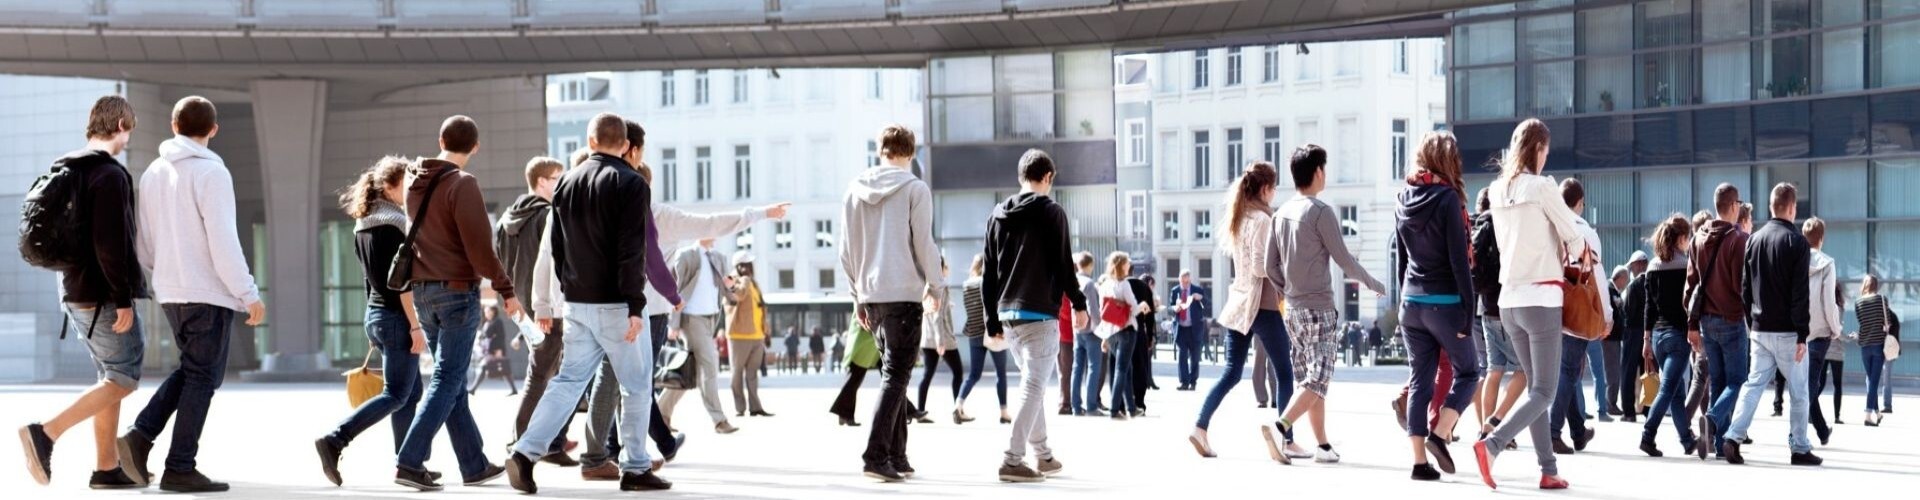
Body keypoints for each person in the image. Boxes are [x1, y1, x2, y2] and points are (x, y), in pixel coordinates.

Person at [505, 112, 667, 493]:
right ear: (626, 146)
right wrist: (634, 303)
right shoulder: (631, 183)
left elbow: (558, 247)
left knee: (567, 381)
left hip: (577, 303)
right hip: (616, 304)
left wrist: (568, 291)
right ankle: (636, 468)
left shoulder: (566, 183)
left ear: (591, 142)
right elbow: (632, 248)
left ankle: (525, 452)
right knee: (637, 385)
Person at [122, 96, 269, 493]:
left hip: (172, 291)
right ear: (213, 129)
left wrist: (170, 272)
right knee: (203, 377)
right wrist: (248, 293)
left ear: (173, 125)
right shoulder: (212, 172)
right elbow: (223, 240)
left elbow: (144, 244)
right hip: (207, 292)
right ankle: (179, 467)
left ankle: (140, 436)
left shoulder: (153, 172)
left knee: (193, 370)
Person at [18, 95, 149, 490]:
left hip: (73, 290)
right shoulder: (108, 174)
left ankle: (106, 469)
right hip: (101, 295)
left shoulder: (67, 167)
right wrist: (123, 296)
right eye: (129, 131)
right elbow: (112, 242)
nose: (127, 139)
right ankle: (45, 433)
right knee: (124, 378)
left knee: (110, 377)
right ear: (122, 126)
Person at [381, 115, 516, 491]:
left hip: (423, 290)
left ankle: (473, 464)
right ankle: (409, 461)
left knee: (451, 380)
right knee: (447, 377)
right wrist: (505, 288)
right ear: (475, 147)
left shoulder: (413, 181)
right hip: (456, 291)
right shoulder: (463, 183)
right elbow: (479, 248)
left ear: (440, 138)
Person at [1470, 119, 1585, 491]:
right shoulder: (1543, 187)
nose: (1546, 158)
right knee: (1544, 391)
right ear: (1538, 149)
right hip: (1541, 298)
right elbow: (1573, 232)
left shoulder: (1497, 189)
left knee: (1536, 387)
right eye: (1546, 152)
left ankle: (1548, 469)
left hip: (1508, 302)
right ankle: (1493, 445)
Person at [312, 156, 432, 485]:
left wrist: (372, 322)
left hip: (377, 314)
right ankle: (335, 440)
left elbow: (370, 280)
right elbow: (400, 284)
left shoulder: (363, 223)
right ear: (391, 186)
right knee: (396, 393)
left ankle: (409, 462)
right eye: (407, 184)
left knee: (411, 391)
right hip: (396, 316)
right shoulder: (395, 224)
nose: (411, 191)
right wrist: (415, 325)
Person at [838, 124, 942, 482]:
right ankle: (875, 454)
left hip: (872, 297)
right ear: (910, 154)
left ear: (880, 150)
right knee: (897, 376)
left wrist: (857, 297)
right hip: (903, 294)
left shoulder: (854, 190)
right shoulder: (915, 188)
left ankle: (897, 454)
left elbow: (845, 252)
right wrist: (937, 286)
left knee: (892, 374)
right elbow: (924, 244)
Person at [979, 148, 1088, 483]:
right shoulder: (1052, 212)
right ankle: (1012, 459)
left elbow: (989, 275)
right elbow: (1064, 265)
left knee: (1033, 382)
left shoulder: (997, 215)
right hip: (1039, 315)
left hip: (1008, 315)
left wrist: (991, 321)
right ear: (1048, 178)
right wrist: (1079, 304)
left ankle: (1042, 454)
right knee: (1034, 385)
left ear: (1020, 177)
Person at [1274, 145, 1386, 464]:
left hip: (1292, 311)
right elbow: (1345, 260)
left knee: (1310, 380)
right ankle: (1281, 425)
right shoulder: (1320, 212)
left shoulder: (1280, 213)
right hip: (1319, 310)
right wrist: (1374, 284)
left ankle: (1322, 446)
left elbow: (1270, 266)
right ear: (1318, 171)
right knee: (1318, 378)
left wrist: (1289, 290)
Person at [1391, 132, 1481, 480]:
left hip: (1411, 302)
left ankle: (1418, 463)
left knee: (1419, 383)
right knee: (1470, 372)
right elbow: (1460, 263)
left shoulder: (1402, 197)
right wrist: (1468, 310)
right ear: (1449, 160)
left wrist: (1404, 303)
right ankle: (1441, 433)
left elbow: (1401, 260)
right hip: (1445, 302)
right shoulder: (1448, 200)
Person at [1187, 161, 1291, 460]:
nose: (1274, 194)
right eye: (1273, 188)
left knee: (1231, 373)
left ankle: (1200, 428)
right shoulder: (1262, 220)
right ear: (1265, 189)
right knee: (1284, 374)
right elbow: (1260, 266)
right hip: (1263, 306)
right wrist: (1284, 276)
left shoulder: (1239, 217)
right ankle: (1287, 440)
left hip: (1238, 304)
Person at [1719, 183, 1821, 466]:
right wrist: (1803, 333)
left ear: (1770, 207)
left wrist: (1751, 321)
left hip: (1760, 328)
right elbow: (1801, 292)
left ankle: (1732, 437)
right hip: (1789, 332)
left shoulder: (1754, 239)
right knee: (1799, 392)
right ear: (1792, 207)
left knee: (1753, 386)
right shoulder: (1798, 243)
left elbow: (1744, 287)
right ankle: (1799, 448)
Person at [493, 156, 578, 465]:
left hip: (520, 306)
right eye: (558, 178)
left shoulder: (506, 219)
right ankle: (524, 442)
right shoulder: (547, 216)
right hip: (546, 307)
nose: (562, 183)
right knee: (542, 374)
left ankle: (547, 441)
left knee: (547, 372)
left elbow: (498, 263)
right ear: (542, 181)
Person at [1546, 178, 1611, 455]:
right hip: (1578, 308)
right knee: (1569, 370)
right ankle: (1552, 431)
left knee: (1567, 369)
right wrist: (1607, 314)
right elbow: (1597, 276)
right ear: (1580, 203)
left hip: (1551, 305)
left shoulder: (1550, 228)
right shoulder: (1584, 231)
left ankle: (1577, 431)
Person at [1688, 183, 1750, 459]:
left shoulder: (1698, 238)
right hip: (1732, 319)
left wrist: (1692, 323)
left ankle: (1720, 444)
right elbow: (1743, 286)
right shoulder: (1738, 240)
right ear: (1734, 206)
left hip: (1706, 321)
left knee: (1719, 381)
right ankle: (1712, 421)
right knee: (1738, 381)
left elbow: (1690, 287)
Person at [1638, 214, 1699, 458]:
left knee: (1676, 389)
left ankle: (1686, 440)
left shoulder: (1653, 266)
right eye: (1688, 238)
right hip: (1677, 337)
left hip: (1657, 339)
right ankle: (1647, 435)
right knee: (1668, 388)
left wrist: (1646, 340)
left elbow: (1648, 308)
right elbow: (1692, 304)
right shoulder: (1688, 266)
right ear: (1682, 238)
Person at [1471, 188, 1525, 446]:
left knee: (1494, 370)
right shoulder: (1501, 226)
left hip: (1484, 308)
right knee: (1525, 372)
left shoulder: (1476, 225)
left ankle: (1485, 429)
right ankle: (1496, 422)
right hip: (1505, 308)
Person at [957, 254, 1012, 425]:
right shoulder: (987, 283)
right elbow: (994, 307)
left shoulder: (966, 284)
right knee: (1001, 374)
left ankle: (958, 405)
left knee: (973, 374)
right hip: (992, 332)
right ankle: (1003, 413)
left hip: (974, 332)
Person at [1801, 217, 1842, 445]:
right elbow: (1829, 302)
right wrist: (1836, 328)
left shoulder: (1795, 262)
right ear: (1821, 238)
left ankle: (1822, 431)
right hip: (1819, 335)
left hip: (1798, 334)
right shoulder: (1827, 263)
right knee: (1809, 387)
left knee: (1808, 385)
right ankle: (1797, 436)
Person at [1094, 253, 1148, 421]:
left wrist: (1104, 337)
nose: (1129, 265)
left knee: (1126, 368)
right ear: (1120, 265)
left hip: (1111, 332)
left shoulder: (1104, 285)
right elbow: (1133, 308)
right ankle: (1114, 409)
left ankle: (1131, 408)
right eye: (1126, 263)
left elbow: (1104, 312)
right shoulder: (1123, 284)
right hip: (1126, 330)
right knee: (1121, 370)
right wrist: (1143, 306)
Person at [913, 259, 963, 423]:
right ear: (940, 268)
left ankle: (920, 411)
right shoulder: (939, 286)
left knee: (927, 375)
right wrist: (940, 341)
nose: (948, 268)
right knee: (958, 372)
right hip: (942, 339)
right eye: (946, 266)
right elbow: (937, 316)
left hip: (927, 338)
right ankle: (958, 410)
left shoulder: (926, 286)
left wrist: (949, 307)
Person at [726, 251, 775, 417]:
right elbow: (738, 295)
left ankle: (755, 407)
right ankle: (740, 408)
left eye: (750, 264)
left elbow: (761, 308)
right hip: (739, 334)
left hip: (757, 335)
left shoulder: (754, 283)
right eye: (745, 264)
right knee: (737, 373)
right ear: (738, 266)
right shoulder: (732, 280)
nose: (749, 267)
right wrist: (745, 279)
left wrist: (766, 332)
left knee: (753, 373)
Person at [1070, 252, 1107, 416]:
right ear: (1090, 265)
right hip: (1092, 331)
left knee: (1077, 368)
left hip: (1077, 329)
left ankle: (1076, 406)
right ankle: (1091, 406)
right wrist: (1100, 331)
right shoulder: (1090, 284)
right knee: (1094, 368)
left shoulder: (1073, 281)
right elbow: (1094, 310)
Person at [1617, 251, 1651, 422]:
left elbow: (1628, 312)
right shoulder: (1653, 283)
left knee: (1628, 372)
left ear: (1639, 264)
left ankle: (1629, 412)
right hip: (1649, 333)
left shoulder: (1633, 286)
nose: (1631, 269)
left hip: (1633, 332)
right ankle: (1648, 410)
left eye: (1632, 266)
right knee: (1649, 372)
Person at [1854, 274, 1890, 427]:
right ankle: (1868, 415)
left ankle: (1877, 412)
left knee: (1870, 380)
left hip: (1864, 345)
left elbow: (1861, 323)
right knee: (1874, 380)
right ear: (1876, 285)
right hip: (1878, 345)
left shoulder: (1858, 301)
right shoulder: (1881, 299)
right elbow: (1887, 321)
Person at [830, 319, 881, 427]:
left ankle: (846, 415)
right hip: (863, 344)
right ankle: (842, 411)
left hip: (865, 344)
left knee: (853, 383)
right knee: (853, 382)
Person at [1170, 271, 1212, 391]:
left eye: (1187, 282)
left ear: (1190, 280)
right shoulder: (1175, 291)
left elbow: (1207, 304)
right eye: (1183, 282)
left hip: (1195, 329)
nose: (1185, 284)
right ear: (1179, 280)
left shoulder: (1197, 290)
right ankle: (1184, 382)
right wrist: (1174, 308)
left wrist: (1201, 298)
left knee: (1195, 357)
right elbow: (1170, 307)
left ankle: (1193, 382)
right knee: (1182, 356)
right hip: (1181, 329)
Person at [469, 305, 520, 396]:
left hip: (496, 349)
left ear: (493, 311)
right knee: (504, 369)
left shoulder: (498, 322)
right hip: (488, 350)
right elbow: (486, 335)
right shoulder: (488, 322)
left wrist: (499, 350)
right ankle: (514, 389)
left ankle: (473, 389)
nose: (486, 314)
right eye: (485, 312)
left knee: (485, 367)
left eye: (488, 311)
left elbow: (501, 336)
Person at [1127, 274, 1160, 411]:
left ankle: (1123, 402)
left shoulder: (1121, 284)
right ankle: (1139, 402)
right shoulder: (1145, 288)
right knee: (1141, 366)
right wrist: (1150, 336)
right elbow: (1150, 316)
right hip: (1139, 330)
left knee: (1123, 367)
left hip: (1123, 328)